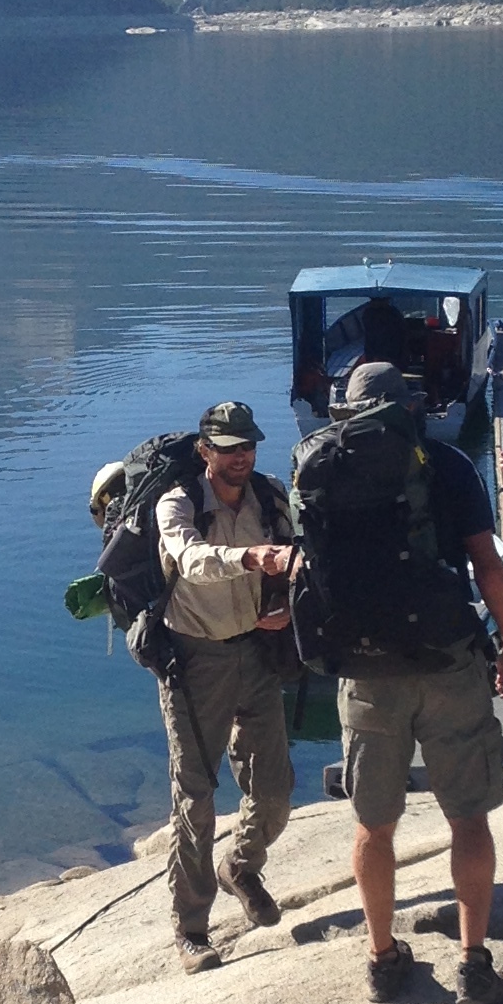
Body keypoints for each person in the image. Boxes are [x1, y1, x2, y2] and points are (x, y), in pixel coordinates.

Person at [324, 360, 503, 1004]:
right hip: (447, 661)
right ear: (412, 406)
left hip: (365, 671)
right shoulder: (448, 466)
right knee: (467, 817)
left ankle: (383, 960)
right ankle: (473, 964)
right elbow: (489, 568)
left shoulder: (320, 466)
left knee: (373, 824)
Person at [155, 400, 298, 974]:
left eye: (249, 446)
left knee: (276, 789)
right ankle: (191, 930)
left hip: (257, 653)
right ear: (205, 450)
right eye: (229, 448)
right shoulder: (178, 501)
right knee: (196, 797)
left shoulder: (269, 495)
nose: (242, 457)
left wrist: (285, 602)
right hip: (195, 659)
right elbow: (189, 560)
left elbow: (295, 555)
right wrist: (249, 558)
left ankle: (240, 866)